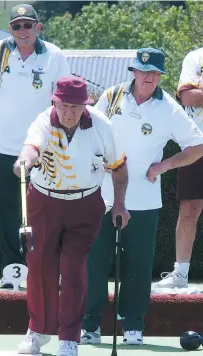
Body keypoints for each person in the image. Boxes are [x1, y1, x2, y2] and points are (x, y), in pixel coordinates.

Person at [80, 48, 203, 346]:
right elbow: (88, 129)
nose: (148, 78)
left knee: (138, 264)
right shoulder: (110, 97)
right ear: (133, 72)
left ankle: (133, 324)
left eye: (154, 74)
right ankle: (89, 324)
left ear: (160, 76)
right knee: (93, 261)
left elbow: (197, 146)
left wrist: (165, 165)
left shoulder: (169, 107)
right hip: (102, 195)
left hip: (144, 199)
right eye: (143, 71)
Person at [13, 76, 130, 356]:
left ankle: (69, 338)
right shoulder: (43, 120)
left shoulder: (102, 124)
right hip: (44, 202)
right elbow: (31, 147)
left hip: (85, 204)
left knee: (75, 270)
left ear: (85, 106)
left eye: (75, 107)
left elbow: (119, 168)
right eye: (63, 106)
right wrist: (25, 160)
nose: (68, 113)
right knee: (40, 267)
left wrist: (120, 205)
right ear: (55, 102)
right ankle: (37, 332)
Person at [0, 3, 70, 288]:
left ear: (38, 27)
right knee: (8, 209)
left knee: (45, 208)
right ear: (10, 29)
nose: (23, 31)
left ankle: (46, 269)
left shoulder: (54, 55)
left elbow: (62, 95)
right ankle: (12, 270)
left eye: (28, 25)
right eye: (17, 26)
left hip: (41, 147)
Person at [153, 47, 203, 289]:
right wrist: (194, 93)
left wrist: (199, 90)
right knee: (189, 208)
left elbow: (196, 94)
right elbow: (188, 98)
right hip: (196, 141)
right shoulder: (195, 57)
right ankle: (180, 275)